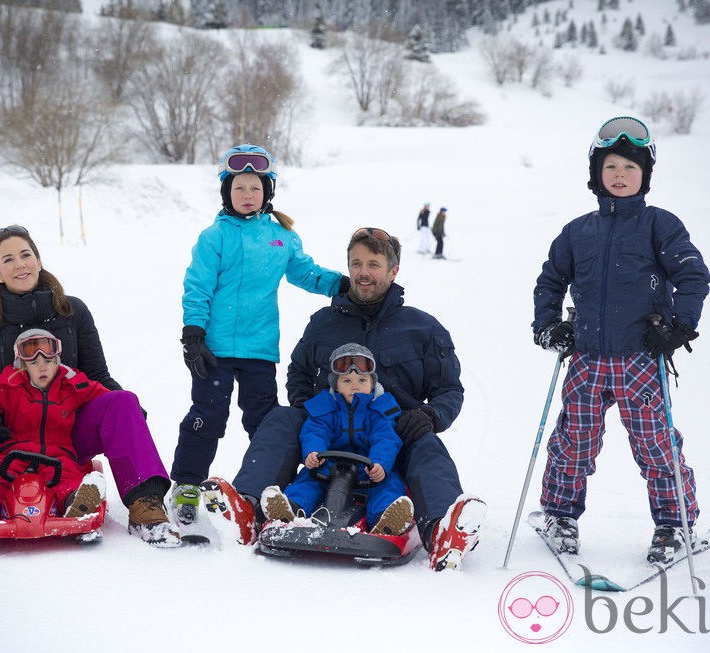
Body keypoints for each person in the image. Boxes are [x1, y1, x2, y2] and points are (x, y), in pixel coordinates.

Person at [202, 227, 486, 571]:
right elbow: (299, 373)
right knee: (281, 419)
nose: (363, 273)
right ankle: (247, 508)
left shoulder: (423, 328)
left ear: (393, 270)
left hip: (392, 436)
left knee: (427, 445)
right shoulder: (323, 323)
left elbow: (449, 389)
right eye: (356, 264)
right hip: (328, 431)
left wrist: (429, 416)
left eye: (374, 264)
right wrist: (311, 411)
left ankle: (442, 530)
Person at [0, 225, 178, 548]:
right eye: (8, 260)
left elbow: (98, 377)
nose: (20, 264)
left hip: (65, 433)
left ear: (38, 260)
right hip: (3, 442)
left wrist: (128, 412)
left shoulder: (73, 312)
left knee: (121, 401)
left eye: (26, 255)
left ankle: (147, 509)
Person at [531, 116, 710, 563]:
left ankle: (674, 523)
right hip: (587, 359)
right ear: (596, 173)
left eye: (630, 168)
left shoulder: (659, 226)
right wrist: (548, 324)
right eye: (611, 166)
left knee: (655, 444)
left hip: (640, 359)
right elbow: (550, 282)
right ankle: (560, 516)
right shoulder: (577, 232)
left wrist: (680, 325)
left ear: (645, 175)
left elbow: (692, 276)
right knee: (574, 439)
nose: (620, 176)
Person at [171, 144, 348, 532]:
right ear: (226, 193)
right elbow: (197, 286)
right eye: (239, 188)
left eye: (255, 188)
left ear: (268, 192)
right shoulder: (214, 237)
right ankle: (185, 485)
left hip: (259, 349)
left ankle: (268, 487)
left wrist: (342, 284)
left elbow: (305, 272)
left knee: (265, 422)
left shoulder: (281, 235)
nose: (247, 195)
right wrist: (193, 334)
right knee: (207, 417)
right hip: (214, 348)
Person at [0, 330, 111, 525]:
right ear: (23, 365)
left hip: (59, 454)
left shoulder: (74, 385)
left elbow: (105, 398)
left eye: (48, 362)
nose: (42, 368)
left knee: (68, 479)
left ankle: (78, 502)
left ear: (57, 361)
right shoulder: (9, 386)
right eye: (34, 363)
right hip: (13, 452)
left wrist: (127, 413)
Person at [260, 343, 414, 537]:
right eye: (347, 381)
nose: (354, 385)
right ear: (336, 384)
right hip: (329, 465)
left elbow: (385, 439)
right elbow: (315, 431)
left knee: (388, 484)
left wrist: (380, 464)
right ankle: (291, 509)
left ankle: (386, 518)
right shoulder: (326, 407)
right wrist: (313, 453)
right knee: (307, 480)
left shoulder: (379, 409)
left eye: (362, 380)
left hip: (368, 468)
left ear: (372, 384)